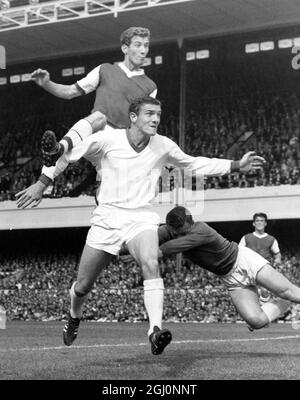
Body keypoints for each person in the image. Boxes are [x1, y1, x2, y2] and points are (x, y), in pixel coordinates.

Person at [15, 97, 265, 354]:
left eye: (158, 114)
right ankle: (73, 315)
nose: (155, 119)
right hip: (107, 218)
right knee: (82, 287)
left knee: (151, 261)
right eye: (149, 114)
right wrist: (42, 184)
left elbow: (194, 163)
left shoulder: (163, 145)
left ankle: (154, 331)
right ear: (133, 117)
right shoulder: (107, 140)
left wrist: (236, 165)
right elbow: (66, 155)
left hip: (141, 217)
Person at [155, 206, 298, 331]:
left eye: (185, 227)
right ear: (172, 228)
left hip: (243, 261)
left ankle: (288, 296)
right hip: (230, 278)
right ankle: (285, 302)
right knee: (256, 321)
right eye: (178, 230)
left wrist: (145, 252)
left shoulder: (200, 229)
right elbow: (148, 238)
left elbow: (163, 250)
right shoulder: (169, 231)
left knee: (288, 292)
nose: (184, 231)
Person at [31, 27, 157, 167]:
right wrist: (46, 84)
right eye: (138, 45)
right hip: (97, 133)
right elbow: (70, 92)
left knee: (107, 186)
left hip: (121, 143)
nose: (143, 51)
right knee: (98, 117)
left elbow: (143, 128)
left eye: (146, 46)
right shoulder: (105, 70)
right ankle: (58, 149)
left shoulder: (150, 87)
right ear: (125, 48)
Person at [239, 213, 281, 302]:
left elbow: (277, 254)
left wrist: (277, 260)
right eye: (257, 221)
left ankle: (265, 307)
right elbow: (239, 252)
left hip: (264, 269)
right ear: (253, 223)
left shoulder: (271, 239)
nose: (259, 223)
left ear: (265, 223)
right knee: (249, 293)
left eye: (262, 221)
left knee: (265, 291)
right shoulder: (246, 237)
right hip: (249, 269)